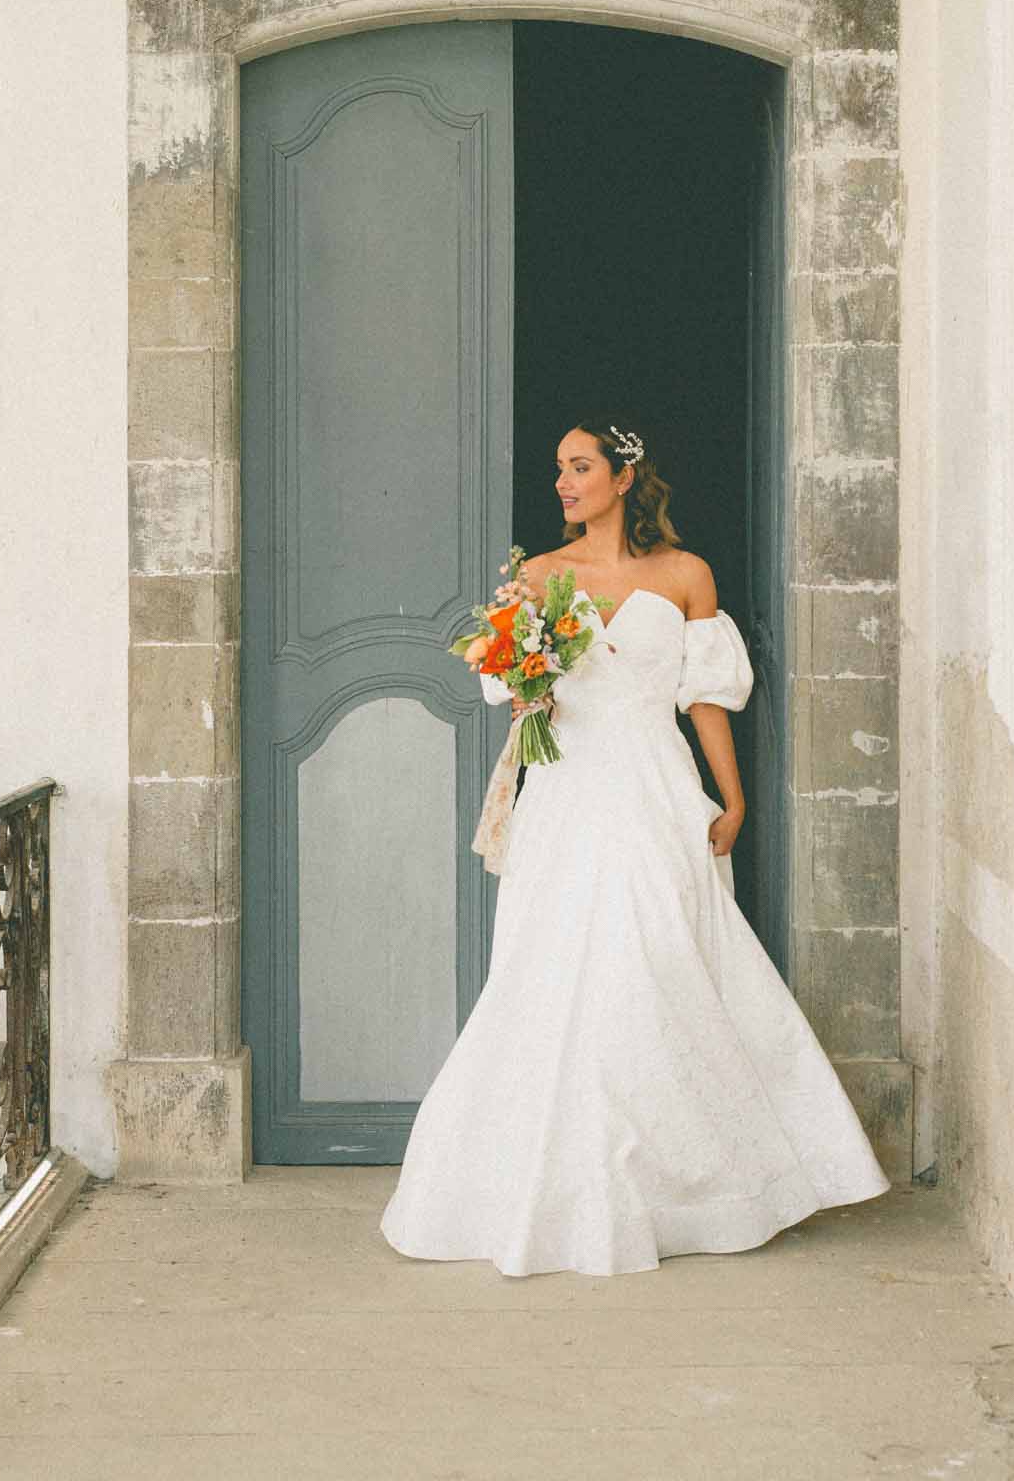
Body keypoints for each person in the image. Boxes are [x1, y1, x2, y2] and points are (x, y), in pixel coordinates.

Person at [379, 413, 891, 1277]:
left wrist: (729, 797)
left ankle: (691, 1186)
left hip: (654, 790)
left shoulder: (685, 574)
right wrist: (523, 675)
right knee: (549, 971)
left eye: (578, 466)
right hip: (569, 796)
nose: (562, 483)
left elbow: (704, 699)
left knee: (659, 958)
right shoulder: (538, 578)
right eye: (556, 468)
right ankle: (545, 1191)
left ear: (623, 477)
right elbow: (509, 693)